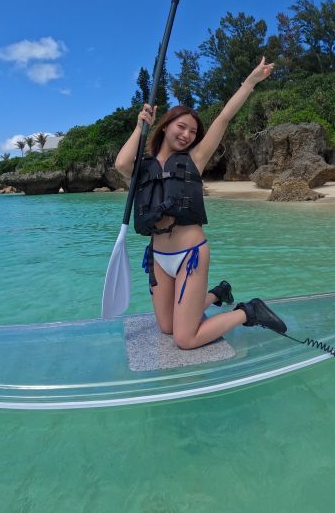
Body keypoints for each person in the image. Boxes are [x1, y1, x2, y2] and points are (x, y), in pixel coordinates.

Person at [114, 57, 287, 350]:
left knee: (184, 339)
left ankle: (249, 311)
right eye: (181, 127)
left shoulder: (195, 159)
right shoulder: (143, 167)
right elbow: (121, 163)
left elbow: (224, 118)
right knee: (167, 328)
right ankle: (218, 294)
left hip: (190, 255)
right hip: (158, 258)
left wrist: (251, 81)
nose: (186, 135)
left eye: (192, 132)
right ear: (165, 126)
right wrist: (140, 125)